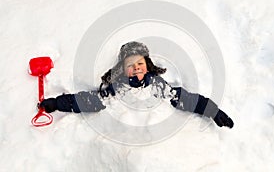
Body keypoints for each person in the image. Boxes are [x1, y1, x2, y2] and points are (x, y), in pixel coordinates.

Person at [40, 41, 234, 128]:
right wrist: (56, 103)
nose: (136, 68)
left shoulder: (158, 86)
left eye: (140, 63)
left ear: (147, 66)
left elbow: (186, 100)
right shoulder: (118, 89)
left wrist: (213, 111)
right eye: (130, 65)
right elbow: (87, 101)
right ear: (123, 69)